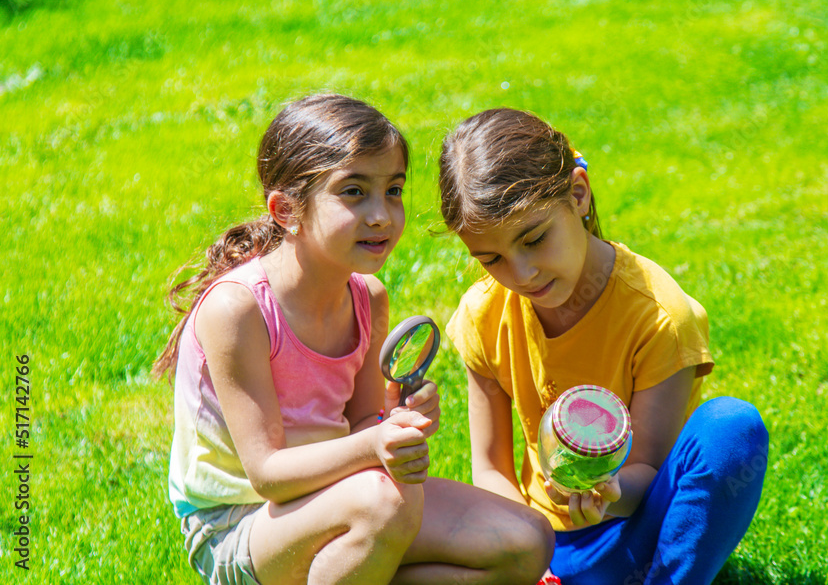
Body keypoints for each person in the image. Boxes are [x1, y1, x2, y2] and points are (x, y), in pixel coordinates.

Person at [155, 94, 554, 585]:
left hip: (345, 497)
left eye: (394, 190)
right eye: (353, 192)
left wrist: (392, 420)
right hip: (242, 525)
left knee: (527, 541)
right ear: (286, 209)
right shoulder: (237, 310)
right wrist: (373, 444)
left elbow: (364, 420)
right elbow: (267, 473)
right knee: (383, 502)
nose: (382, 215)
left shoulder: (368, 298)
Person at [438, 108, 769, 585]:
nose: (521, 274)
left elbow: (648, 469)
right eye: (491, 259)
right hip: (542, 545)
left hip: (633, 531)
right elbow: (490, 471)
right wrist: (528, 556)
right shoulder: (482, 314)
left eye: (534, 239)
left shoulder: (659, 315)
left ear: (578, 193)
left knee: (732, 429)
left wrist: (607, 493)